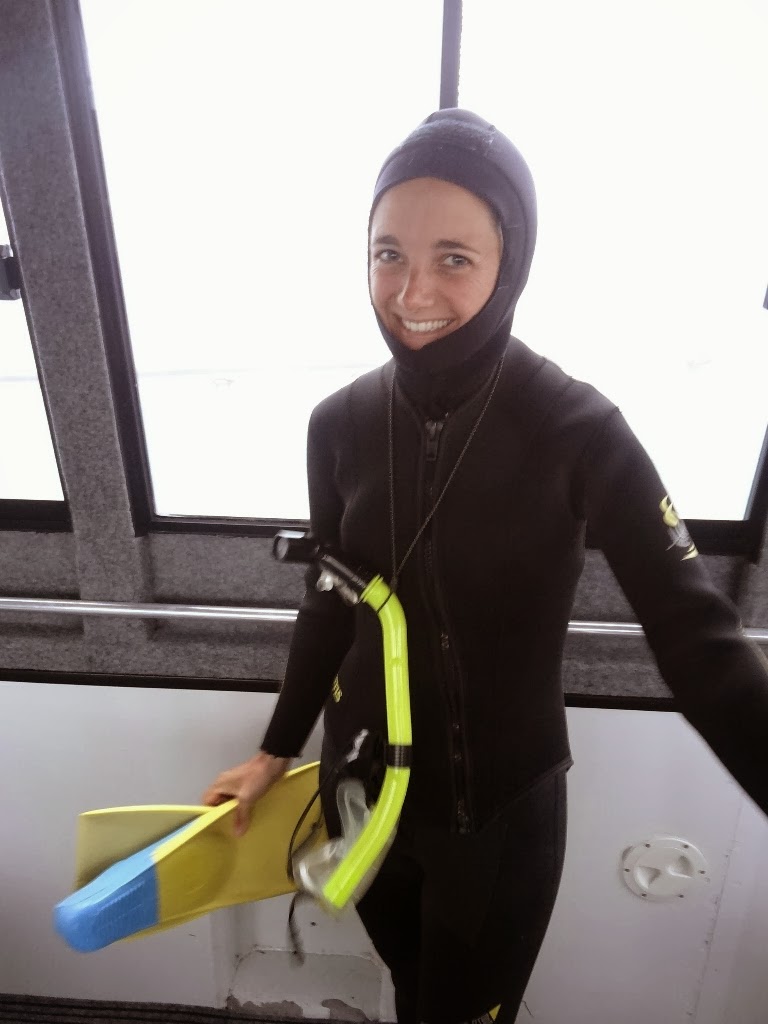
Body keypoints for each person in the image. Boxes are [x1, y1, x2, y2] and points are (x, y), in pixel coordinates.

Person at [203, 109, 768, 1024]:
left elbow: (699, 638)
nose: (412, 289)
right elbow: (329, 601)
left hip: (498, 822)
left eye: (454, 258)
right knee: (409, 989)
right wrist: (275, 752)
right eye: (388, 253)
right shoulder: (338, 423)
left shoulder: (579, 429)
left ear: (512, 263)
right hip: (362, 795)